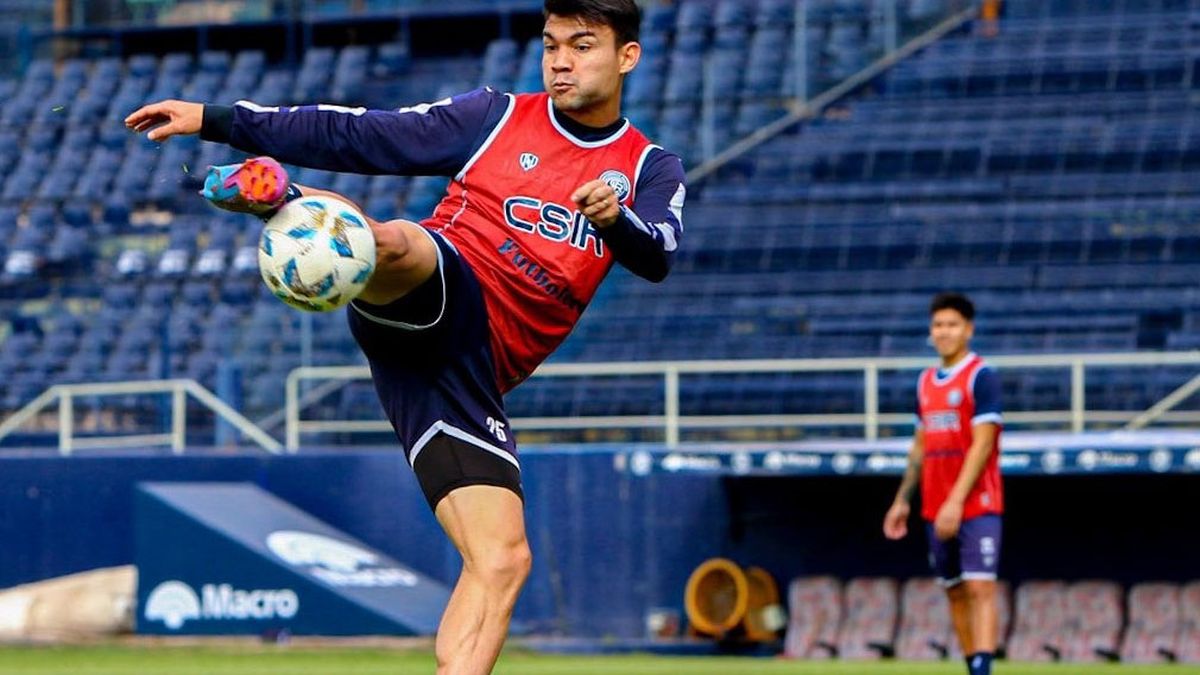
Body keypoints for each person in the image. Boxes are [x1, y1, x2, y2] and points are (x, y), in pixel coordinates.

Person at [124, 1, 685, 672]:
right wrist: (218, 120)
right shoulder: (494, 116)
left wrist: (616, 219)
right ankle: (290, 203)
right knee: (402, 245)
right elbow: (361, 134)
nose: (561, 60)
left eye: (582, 45)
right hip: (445, 292)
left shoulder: (649, 166)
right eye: (551, 44)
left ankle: (291, 203)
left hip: (466, 375)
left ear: (627, 56)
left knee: (502, 559)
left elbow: (655, 255)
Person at [883, 292, 1003, 675]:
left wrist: (956, 501)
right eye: (938, 325)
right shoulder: (925, 383)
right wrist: (902, 499)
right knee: (952, 589)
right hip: (934, 503)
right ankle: (972, 666)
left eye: (952, 324)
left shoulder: (981, 376)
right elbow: (920, 447)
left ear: (968, 330)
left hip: (977, 502)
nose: (944, 332)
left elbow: (983, 443)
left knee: (980, 587)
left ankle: (984, 669)